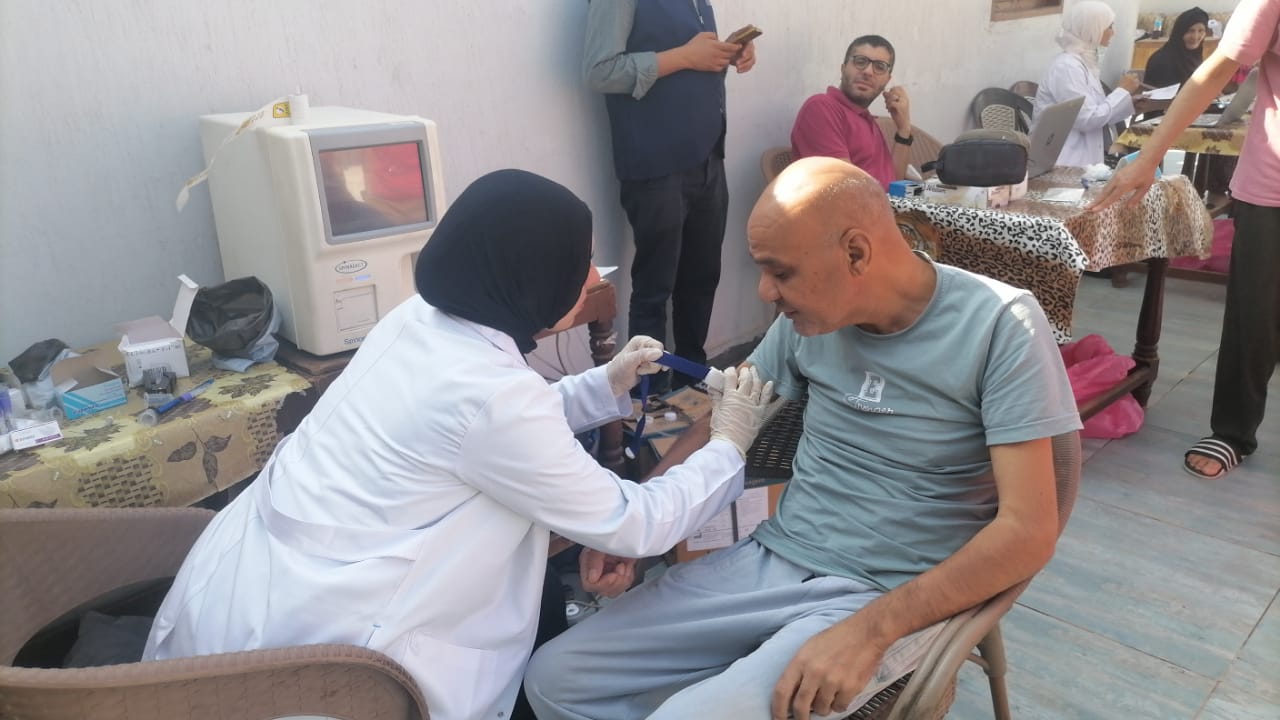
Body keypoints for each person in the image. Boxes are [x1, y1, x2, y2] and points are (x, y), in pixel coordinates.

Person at [142, 169, 778, 720]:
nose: (590, 277)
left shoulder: (417, 318)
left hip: (252, 591)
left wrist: (603, 383)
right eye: (578, 261)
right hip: (336, 644)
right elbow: (633, 522)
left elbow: (477, 434)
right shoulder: (491, 396)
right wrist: (727, 443)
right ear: (525, 271)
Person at [524, 157, 1083, 720]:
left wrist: (871, 632)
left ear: (856, 253)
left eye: (781, 272)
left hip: (885, 591)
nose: (766, 291)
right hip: (774, 556)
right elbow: (724, 418)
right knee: (556, 679)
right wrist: (640, 526)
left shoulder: (1000, 325)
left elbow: (1028, 533)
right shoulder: (808, 322)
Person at [1090, 0, 1279, 480]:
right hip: (1273, 187)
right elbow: (1217, 70)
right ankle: (1233, 431)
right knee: (1255, 317)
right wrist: (1149, 157)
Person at [583, 0, 756, 393]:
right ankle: (649, 397)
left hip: (709, 157)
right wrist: (685, 57)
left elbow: (689, 62)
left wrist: (725, 54)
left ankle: (692, 382)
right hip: (655, 163)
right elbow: (599, 71)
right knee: (654, 287)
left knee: (702, 279)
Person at [790, 36, 912, 191]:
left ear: (887, 80)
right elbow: (845, 186)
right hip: (848, 206)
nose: (868, 71)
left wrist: (904, 129)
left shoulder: (867, 119)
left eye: (879, 67)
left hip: (885, 205)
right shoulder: (821, 107)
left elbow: (894, 184)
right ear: (843, 68)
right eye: (860, 61)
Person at [1032, 1, 1142, 167]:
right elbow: (1087, 119)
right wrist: (1122, 91)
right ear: (1092, 28)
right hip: (1062, 161)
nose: (1113, 32)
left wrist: (1129, 102)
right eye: (1109, 26)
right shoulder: (1067, 67)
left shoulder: (1083, 62)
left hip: (1083, 159)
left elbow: (1098, 112)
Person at [1143, 7, 1211, 89]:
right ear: (1179, 32)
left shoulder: (1194, 57)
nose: (1195, 37)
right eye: (1190, 31)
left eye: (1201, 31)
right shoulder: (1162, 61)